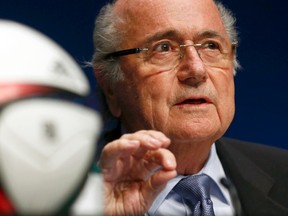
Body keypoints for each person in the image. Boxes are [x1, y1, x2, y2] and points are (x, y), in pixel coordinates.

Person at [92, 0, 288, 215]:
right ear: (110, 86)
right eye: (164, 48)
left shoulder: (283, 172)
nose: (196, 69)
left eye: (211, 45)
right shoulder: (65, 195)